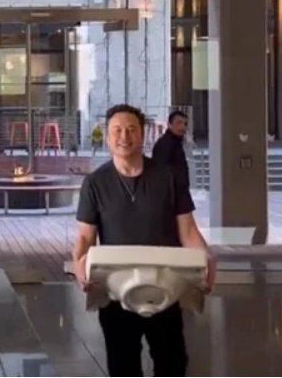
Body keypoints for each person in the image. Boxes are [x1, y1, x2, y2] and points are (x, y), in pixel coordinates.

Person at [73, 104, 215, 377]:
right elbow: (85, 236)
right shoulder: (95, 183)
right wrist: (79, 263)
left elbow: (187, 231)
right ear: (107, 136)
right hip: (116, 291)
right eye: (117, 130)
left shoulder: (168, 177)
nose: (124, 136)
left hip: (166, 286)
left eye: (131, 130)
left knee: (172, 364)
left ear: (143, 134)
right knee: (123, 366)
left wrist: (205, 258)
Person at [151, 111, 190, 193]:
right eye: (179, 123)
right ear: (169, 124)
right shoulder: (165, 144)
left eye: (185, 124)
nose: (183, 127)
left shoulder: (176, 143)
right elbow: (161, 173)